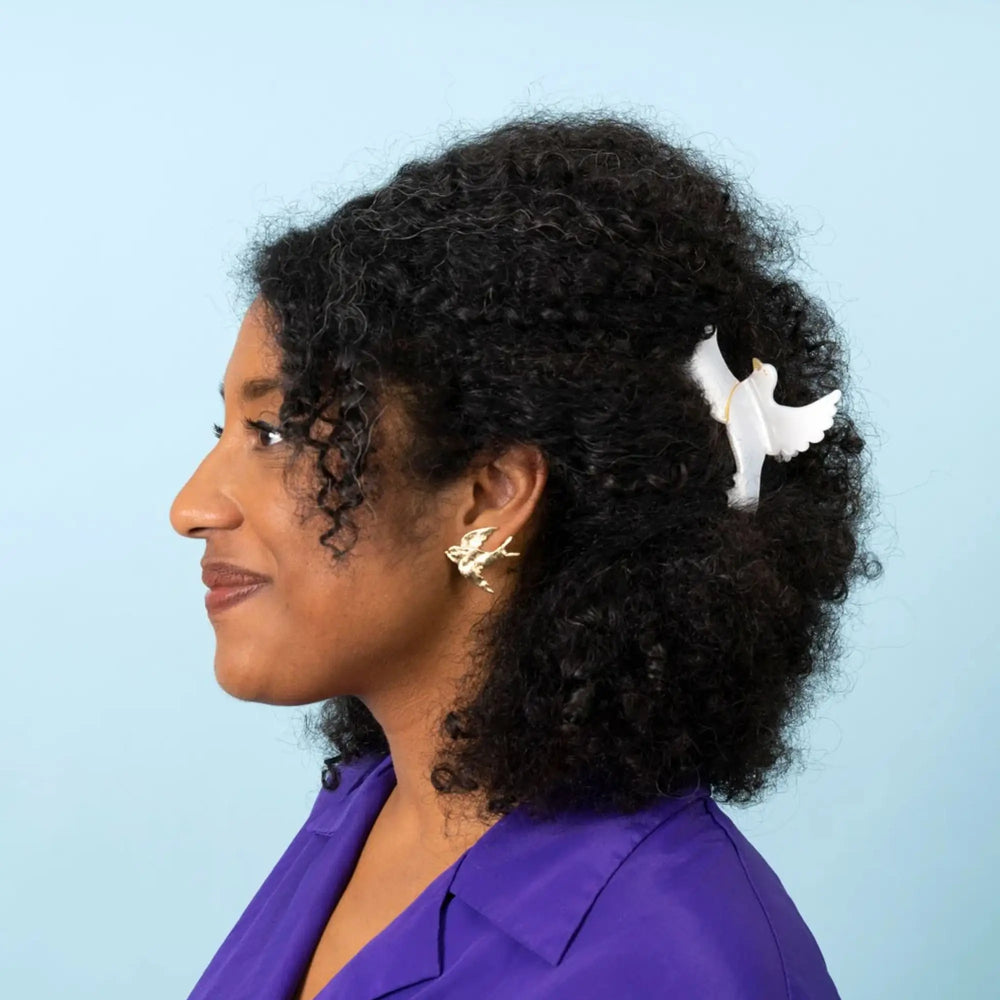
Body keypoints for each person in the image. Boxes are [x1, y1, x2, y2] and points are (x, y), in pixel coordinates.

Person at [170, 110, 882, 999]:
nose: (191, 507)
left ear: (491, 495)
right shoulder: (368, 807)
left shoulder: (677, 965)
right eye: (225, 430)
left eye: (274, 431)